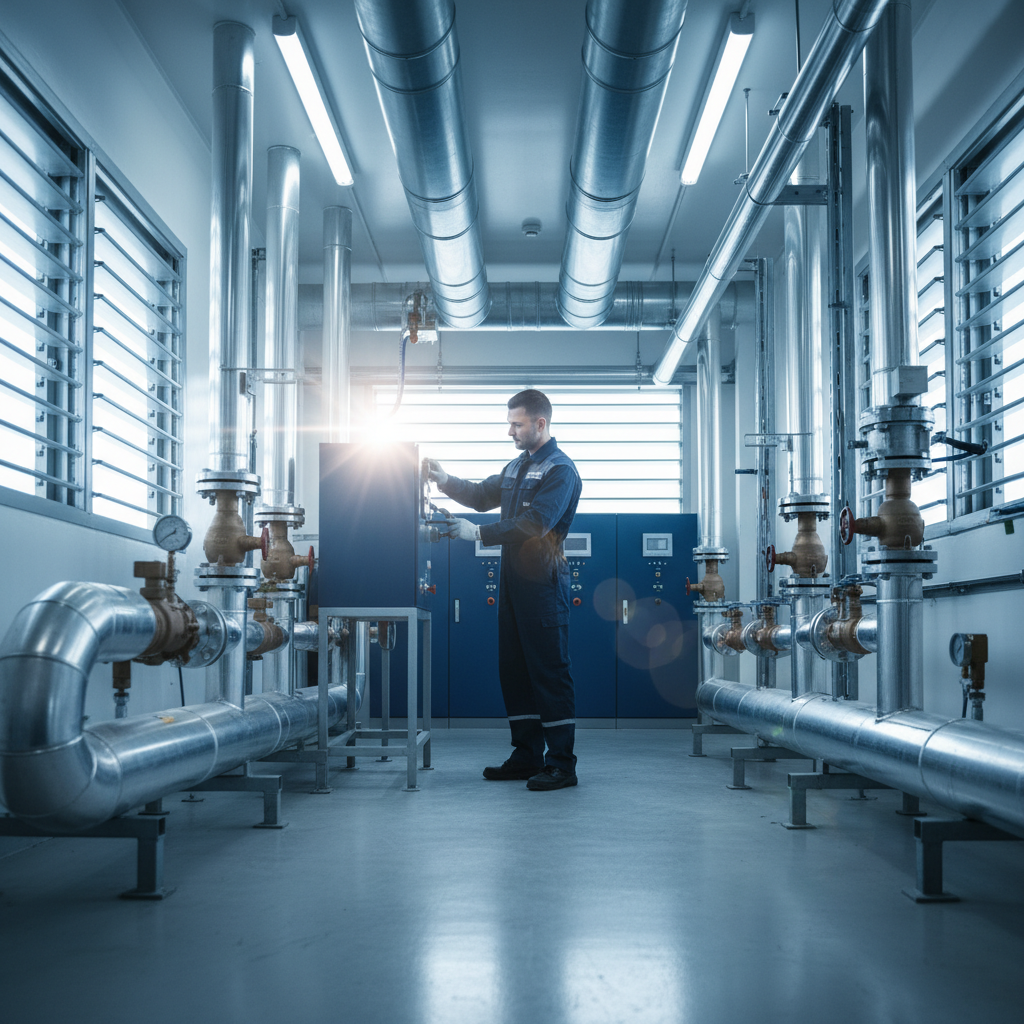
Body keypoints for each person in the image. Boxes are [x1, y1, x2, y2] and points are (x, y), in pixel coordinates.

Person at [426, 390, 582, 791]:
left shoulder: (560, 471)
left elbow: (535, 523)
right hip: (512, 583)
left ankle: (561, 763)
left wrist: (476, 533)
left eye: (517, 424)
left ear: (540, 424)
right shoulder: (516, 468)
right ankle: (526, 755)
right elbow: (480, 495)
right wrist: (444, 480)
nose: (509, 430)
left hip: (544, 584)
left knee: (549, 672)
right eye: (509, 422)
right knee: (514, 671)